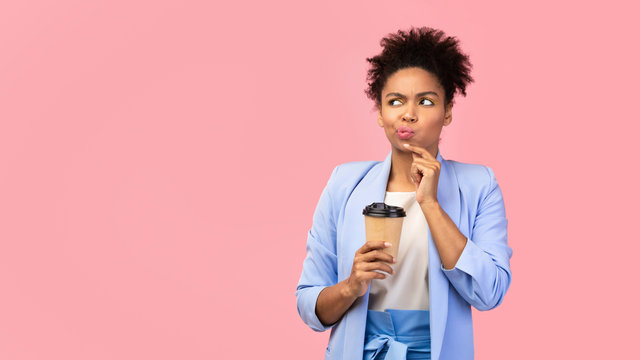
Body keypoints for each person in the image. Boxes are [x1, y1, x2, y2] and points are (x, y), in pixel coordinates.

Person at [295, 27, 513, 360]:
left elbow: (490, 293)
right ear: (381, 114)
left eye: (426, 101)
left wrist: (430, 204)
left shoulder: (478, 185)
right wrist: (351, 286)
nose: (408, 113)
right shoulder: (344, 183)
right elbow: (310, 306)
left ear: (448, 110)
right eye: (395, 101)